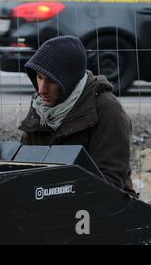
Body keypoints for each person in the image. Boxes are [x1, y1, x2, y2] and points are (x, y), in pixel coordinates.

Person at [19, 35, 135, 195]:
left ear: (69, 80)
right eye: (39, 77)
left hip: (106, 206)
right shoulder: (41, 105)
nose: (42, 89)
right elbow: (24, 165)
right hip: (46, 201)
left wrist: (52, 193)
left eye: (51, 81)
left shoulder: (107, 109)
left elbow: (111, 183)